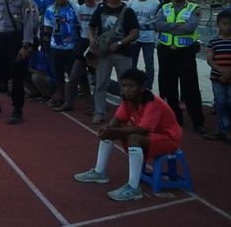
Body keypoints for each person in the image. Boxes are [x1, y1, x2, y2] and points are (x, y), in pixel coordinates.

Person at [74, 68, 182, 202]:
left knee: (134, 137)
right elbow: (118, 119)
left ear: (142, 88)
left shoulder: (153, 103)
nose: (126, 90)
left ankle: (133, 188)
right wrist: (108, 129)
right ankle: (99, 172)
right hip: (151, 136)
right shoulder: (127, 100)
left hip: (169, 138)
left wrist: (114, 131)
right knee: (110, 133)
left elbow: (143, 130)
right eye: (124, 86)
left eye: (131, 86)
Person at [155, 0, 205, 133]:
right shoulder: (164, 7)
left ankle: (197, 122)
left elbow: (190, 27)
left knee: (190, 87)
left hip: (185, 52)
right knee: (168, 87)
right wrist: (179, 26)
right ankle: (175, 118)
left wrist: (169, 27)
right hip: (165, 52)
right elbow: (158, 25)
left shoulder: (194, 8)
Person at [87, 0, 140, 124]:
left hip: (123, 53)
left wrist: (120, 43)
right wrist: (92, 39)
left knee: (127, 86)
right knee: (101, 83)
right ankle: (99, 112)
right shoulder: (101, 9)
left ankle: (127, 115)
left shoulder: (128, 11)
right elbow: (91, 27)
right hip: (104, 53)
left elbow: (134, 33)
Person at [55, 0, 99, 113]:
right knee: (75, 75)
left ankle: (95, 106)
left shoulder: (99, 9)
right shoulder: (80, 9)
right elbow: (79, 25)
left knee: (98, 77)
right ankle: (69, 102)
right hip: (82, 43)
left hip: (96, 45)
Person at [43, 0, 81, 107]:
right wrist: (46, 46)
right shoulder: (50, 10)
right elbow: (47, 29)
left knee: (72, 74)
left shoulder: (75, 9)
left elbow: (80, 26)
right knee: (58, 73)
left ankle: (71, 97)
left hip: (72, 47)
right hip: (55, 47)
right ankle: (60, 95)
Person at [204, 11, 231, 144]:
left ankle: (221, 130)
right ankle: (227, 131)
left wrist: (229, 73)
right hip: (217, 79)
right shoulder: (213, 42)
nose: (228, 27)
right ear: (218, 25)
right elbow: (210, 59)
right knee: (221, 103)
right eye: (224, 24)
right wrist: (221, 71)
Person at [128, 0, 159, 89]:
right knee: (132, 64)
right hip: (133, 38)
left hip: (149, 39)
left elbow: (158, 21)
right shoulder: (132, 1)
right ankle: (133, 84)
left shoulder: (155, 3)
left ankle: (148, 86)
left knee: (149, 65)